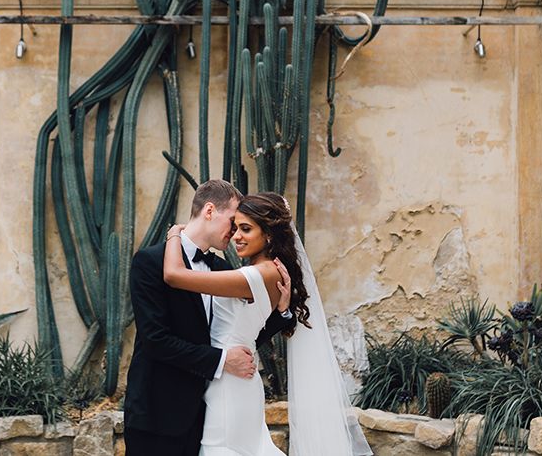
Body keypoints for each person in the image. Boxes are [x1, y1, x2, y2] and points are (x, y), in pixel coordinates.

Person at [163, 192, 372, 456]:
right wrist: (281, 312)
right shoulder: (269, 272)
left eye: (246, 229)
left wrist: (173, 233)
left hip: (229, 387)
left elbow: (173, 275)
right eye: (235, 227)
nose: (236, 236)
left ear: (269, 235)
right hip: (237, 381)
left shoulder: (253, 275)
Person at [124, 180, 295, 456]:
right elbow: (155, 340)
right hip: (157, 414)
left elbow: (236, 336)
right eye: (233, 222)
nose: (235, 232)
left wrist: (280, 314)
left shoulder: (221, 269)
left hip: (206, 414)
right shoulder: (149, 262)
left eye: (244, 227)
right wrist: (223, 360)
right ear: (210, 210)